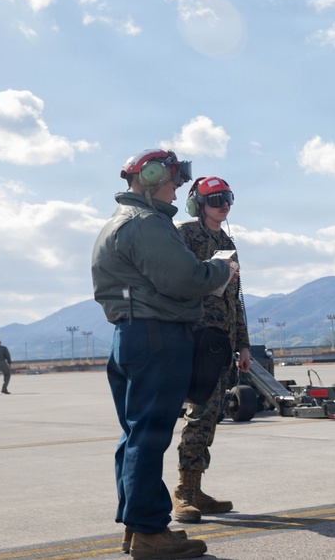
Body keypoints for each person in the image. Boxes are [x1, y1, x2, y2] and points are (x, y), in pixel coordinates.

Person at [91, 148, 235, 560]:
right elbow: (185, 278)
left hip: (132, 335)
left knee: (136, 437)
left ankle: (138, 526)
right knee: (150, 437)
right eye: (173, 179)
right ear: (152, 177)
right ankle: (150, 531)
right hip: (158, 336)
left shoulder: (119, 223)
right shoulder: (146, 224)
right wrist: (222, 271)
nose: (177, 188)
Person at [172, 176, 251, 523]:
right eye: (216, 198)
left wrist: (243, 344)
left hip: (223, 342)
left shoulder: (227, 242)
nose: (224, 204)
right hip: (198, 338)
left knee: (213, 416)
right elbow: (176, 281)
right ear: (198, 203)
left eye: (227, 197)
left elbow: (236, 298)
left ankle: (197, 488)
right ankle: (183, 492)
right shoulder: (184, 234)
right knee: (200, 414)